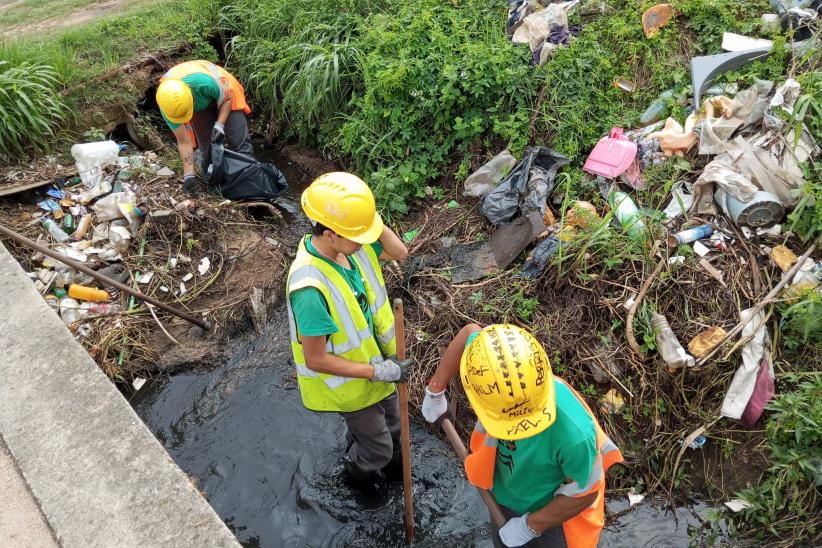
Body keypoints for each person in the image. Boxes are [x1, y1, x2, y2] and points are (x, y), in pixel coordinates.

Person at [422, 324, 623, 548]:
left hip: (553, 518)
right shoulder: (489, 368)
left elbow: (585, 493)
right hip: (504, 494)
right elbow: (470, 333)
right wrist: (436, 389)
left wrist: (531, 525)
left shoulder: (574, 433)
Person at [286, 171, 411, 490]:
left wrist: (370, 221)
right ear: (329, 234)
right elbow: (316, 360)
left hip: (377, 367)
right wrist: (377, 371)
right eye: (358, 234)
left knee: (395, 428)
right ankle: (356, 478)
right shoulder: (309, 288)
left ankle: (370, 448)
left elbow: (400, 253)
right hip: (351, 386)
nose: (365, 241)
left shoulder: (351, 250)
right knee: (379, 450)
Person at [155, 60, 253, 193]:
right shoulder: (168, 104)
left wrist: (219, 125)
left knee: (239, 143)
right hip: (201, 103)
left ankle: (250, 186)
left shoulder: (205, 83)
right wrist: (188, 175)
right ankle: (219, 187)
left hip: (225, 92)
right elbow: (184, 140)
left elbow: (227, 98)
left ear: (191, 98)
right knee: (207, 150)